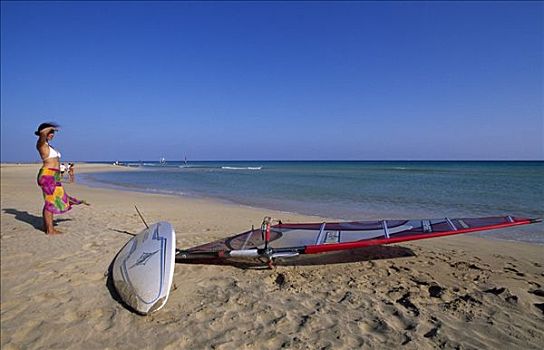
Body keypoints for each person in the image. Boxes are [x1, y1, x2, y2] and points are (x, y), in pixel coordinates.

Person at [35, 122, 87, 235]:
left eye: (53, 132)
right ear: (43, 133)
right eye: (50, 132)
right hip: (48, 175)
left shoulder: (49, 146)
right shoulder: (41, 144)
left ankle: (46, 226)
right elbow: (42, 136)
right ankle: (50, 230)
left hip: (53, 176)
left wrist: (50, 129)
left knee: (50, 201)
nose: (52, 134)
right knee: (50, 202)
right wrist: (47, 129)